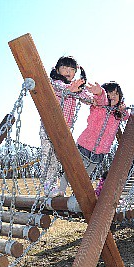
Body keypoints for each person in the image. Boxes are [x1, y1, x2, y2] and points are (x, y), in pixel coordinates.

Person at [41, 56, 103, 197]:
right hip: (49, 126)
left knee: (57, 159)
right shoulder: (55, 83)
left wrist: (99, 95)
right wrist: (71, 88)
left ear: (75, 72)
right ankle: (47, 186)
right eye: (64, 68)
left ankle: (52, 187)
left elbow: (90, 99)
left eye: (72, 69)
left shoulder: (76, 88)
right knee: (48, 157)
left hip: (63, 130)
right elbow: (60, 89)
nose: (68, 71)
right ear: (57, 70)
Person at [58, 82, 130, 193]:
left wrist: (123, 110)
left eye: (116, 93)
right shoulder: (99, 106)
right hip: (85, 145)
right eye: (109, 93)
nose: (113, 96)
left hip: (100, 152)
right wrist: (100, 93)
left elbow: (126, 116)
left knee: (85, 177)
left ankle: (76, 196)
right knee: (72, 170)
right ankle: (61, 190)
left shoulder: (118, 113)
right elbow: (102, 100)